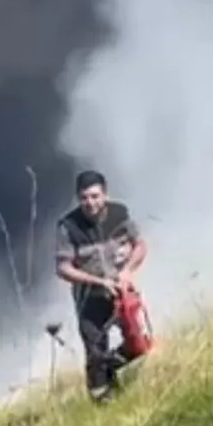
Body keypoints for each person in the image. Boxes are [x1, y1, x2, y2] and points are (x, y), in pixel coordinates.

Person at [55, 170, 148, 401]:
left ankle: (112, 368)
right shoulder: (68, 226)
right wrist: (99, 282)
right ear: (78, 198)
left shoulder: (120, 214)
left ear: (105, 195)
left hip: (121, 293)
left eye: (95, 196)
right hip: (90, 299)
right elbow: (63, 268)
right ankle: (104, 401)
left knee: (139, 343)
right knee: (96, 355)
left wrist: (127, 273)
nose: (90, 203)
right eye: (85, 197)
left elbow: (140, 245)